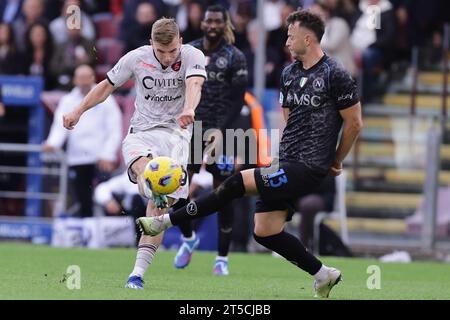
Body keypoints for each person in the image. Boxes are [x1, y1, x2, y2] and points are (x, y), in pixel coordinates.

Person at [137, 10, 363, 298]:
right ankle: (323, 275)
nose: (287, 42)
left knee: (233, 183)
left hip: (308, 166)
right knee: (265, 230)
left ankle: (165, 221)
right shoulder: (289, 72)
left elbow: (354, 123)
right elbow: (289, 117)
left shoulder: (335, 73)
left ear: (308, 38)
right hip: (286, 161)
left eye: (291, 36)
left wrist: (336, 158)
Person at [62, 17, 206, 290]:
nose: (166, 57)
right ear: (150, 43)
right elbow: (106, 86)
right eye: (160, 51)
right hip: (141, 133)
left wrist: (189, 109)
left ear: (181, 43)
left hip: (177, 137)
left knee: (159, 209)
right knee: (149, 174)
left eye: (172, 51)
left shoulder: (192, 55)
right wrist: (77, 111)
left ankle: (137, 274)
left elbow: (194, 84)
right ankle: (152, 188)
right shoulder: (136, 58)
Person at [172, 4, 248, 276]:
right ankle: (188, 238)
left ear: (225, 23)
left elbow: (239, 100)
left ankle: (222, 258)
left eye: (218, 21)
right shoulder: (189, 51)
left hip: (225, 133)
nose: (213, 25)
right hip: (192, 129)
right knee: (179, 187)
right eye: (209, 21)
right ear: (201, 23)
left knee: (224, 194)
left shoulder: (235, 56)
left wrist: (221, 130)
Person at [43, 65, 122, 217]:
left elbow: (114, 129)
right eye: (81, 78)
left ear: (93, 78)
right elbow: (60, 126)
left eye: (88, 78)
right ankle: (88, 233)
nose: (84, 82)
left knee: (105, 197)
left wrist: (108, 154)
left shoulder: (106, 99)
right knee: (83, 198)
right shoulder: (67, 100)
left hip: (100, 157)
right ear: (75, 80)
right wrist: (52, 143)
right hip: (78, 157)